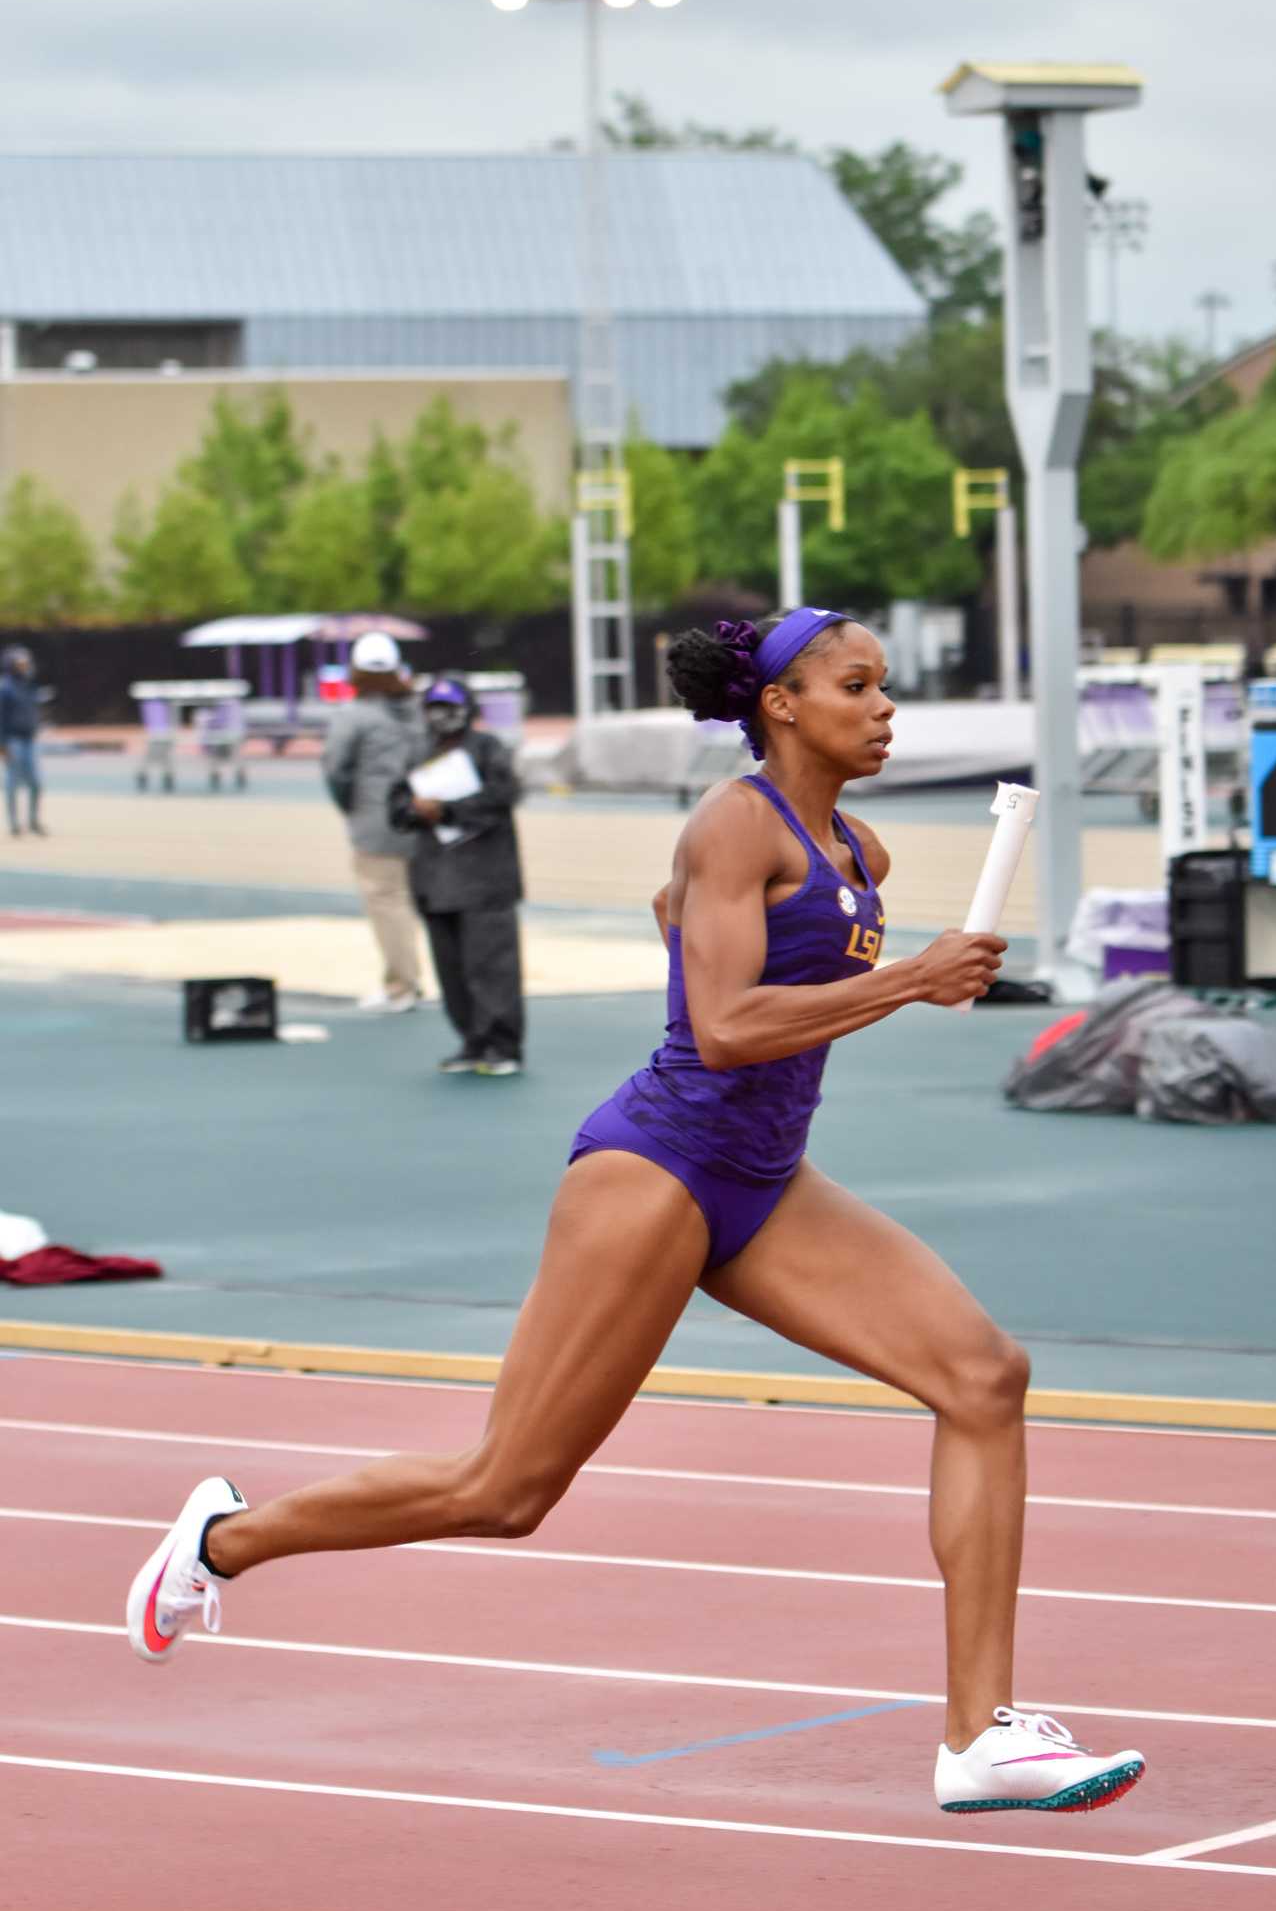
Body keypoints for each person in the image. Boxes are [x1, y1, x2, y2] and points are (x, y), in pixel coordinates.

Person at [126, 607, 1146, 1816]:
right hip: (656, 1167)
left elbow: (680, 927)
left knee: (984, 1375)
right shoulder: (732, 820)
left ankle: (980, 1736)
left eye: (886, 689)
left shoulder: (860, 849)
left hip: (766, 1180)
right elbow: (718, 1028)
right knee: (504, 1492)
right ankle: (221, 1539)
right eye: (857, 687)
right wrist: (910, 980)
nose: (885, 709)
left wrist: (881, 974)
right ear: (782, 704)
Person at [389, 676, 526, 1077]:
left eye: (451, 708)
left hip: (486, 880)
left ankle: (503, 1045)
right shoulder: (416, 751)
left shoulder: (488, 749)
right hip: (434, 881)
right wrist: (417, 811)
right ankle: (472, 1041)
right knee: (452, 971)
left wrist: (447, 810)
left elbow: (503, 798)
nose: (442, 717)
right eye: (434, 708)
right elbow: (395, 808)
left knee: (493, 968)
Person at [322, 631, 427, 1013]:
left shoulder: (353, 716)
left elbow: (336, 770)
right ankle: (403, 981)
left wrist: (352, 808)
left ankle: (403, 986)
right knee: (419, 903)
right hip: (423, 818)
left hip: (377, 823)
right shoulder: (419, 712)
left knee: (387, 902)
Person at [0, 644, 46, 838]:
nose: (25, 666)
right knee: (12, 781)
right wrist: (2, 744)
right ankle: (14, 823)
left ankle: (33, 820)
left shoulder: (29, 685)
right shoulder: (5, 688)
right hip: (12, 740)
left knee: (36, 782)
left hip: (29, 739)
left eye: (26, 663)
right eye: (21, 663)